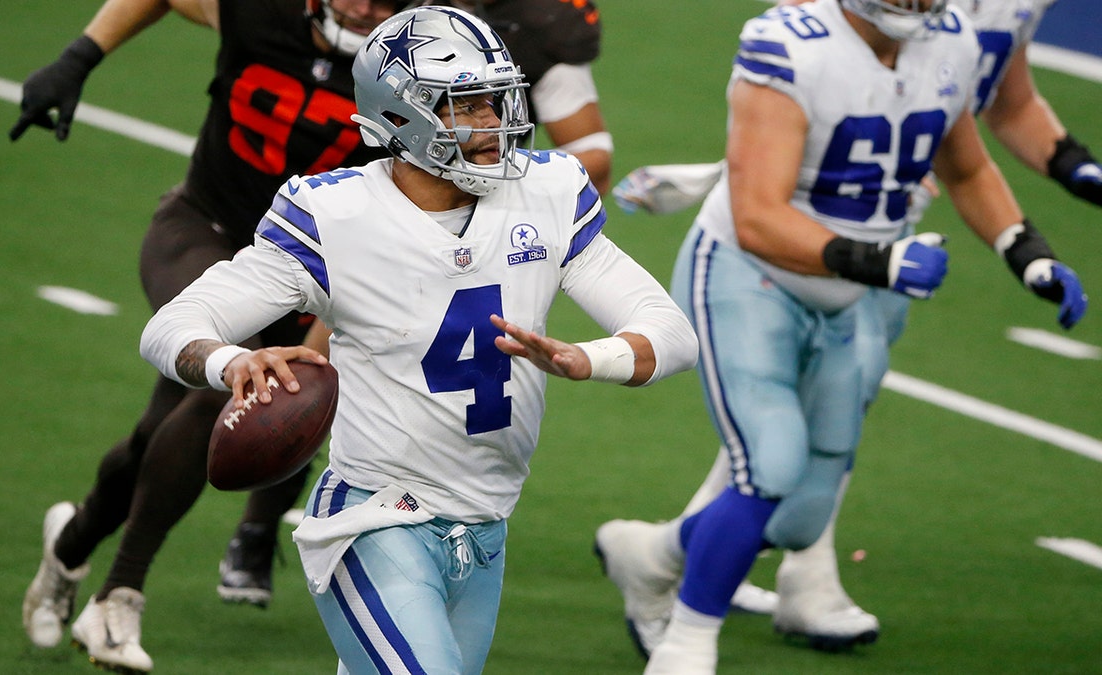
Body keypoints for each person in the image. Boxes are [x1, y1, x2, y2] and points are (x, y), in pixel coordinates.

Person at [139, 7, 698, 672]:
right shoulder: (334, 214)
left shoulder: (547, 192)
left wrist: (588, 358)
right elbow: (170, 326)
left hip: (485, 522)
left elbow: (672, 333)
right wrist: (235, 360)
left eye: (497, 102)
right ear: (401, 117)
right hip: (373, 517)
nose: (494, 126)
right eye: (467, 108)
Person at [596, 0, 1102, 657]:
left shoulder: (950, 39)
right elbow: (756, 218)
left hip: (852, 289)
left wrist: (1026, 251)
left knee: (801, 518)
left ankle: (649, 553)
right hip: (752, 277)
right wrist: (884, 259)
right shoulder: (790, 43)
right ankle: (689, 644)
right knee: (769, 463)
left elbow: (968, 166)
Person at [13, 0, 409, 671]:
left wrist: (322, 336)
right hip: (203, 228)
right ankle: (119, 594)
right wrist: (79, 57)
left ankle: (71, 544)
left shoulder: (412, 72)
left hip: (304, 278)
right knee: (229, 384)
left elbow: (394, 222)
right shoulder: (264, 12)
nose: (365, 8)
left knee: (155, 438)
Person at [423, 0, 613, 193]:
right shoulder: (400, 13)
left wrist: (509, 189)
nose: (493, 123)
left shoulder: (544, 22)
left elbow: (592, 161)